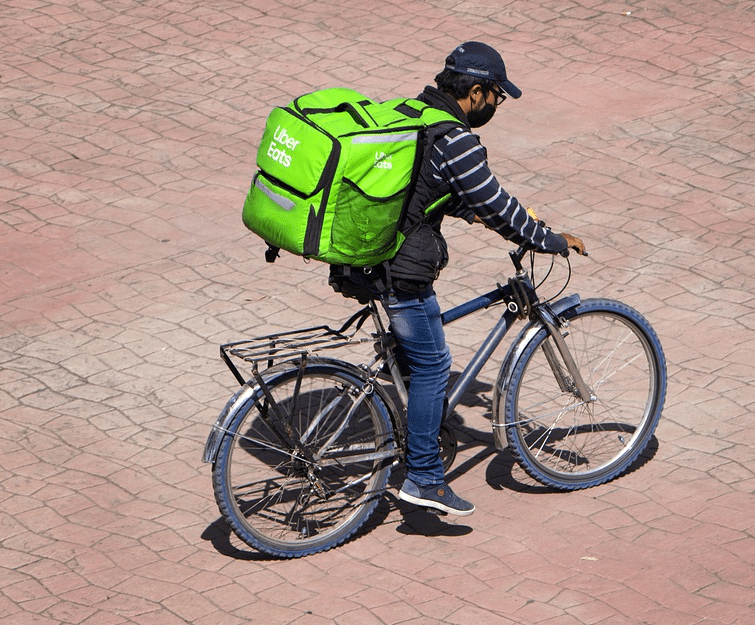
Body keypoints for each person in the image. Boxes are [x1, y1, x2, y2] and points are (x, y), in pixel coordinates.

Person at [383, 41, 587, 516]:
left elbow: (418, 186)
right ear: (475, 92)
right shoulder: (456, 139)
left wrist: (467, 213)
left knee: (414, 361)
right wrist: (547, 239)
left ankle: (403, 427)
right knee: (435, 366)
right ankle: (424, 479)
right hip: (401, 270)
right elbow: (498, 204)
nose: (496, 106)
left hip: (368, 257)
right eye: (496, 96)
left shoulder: (412, 111)